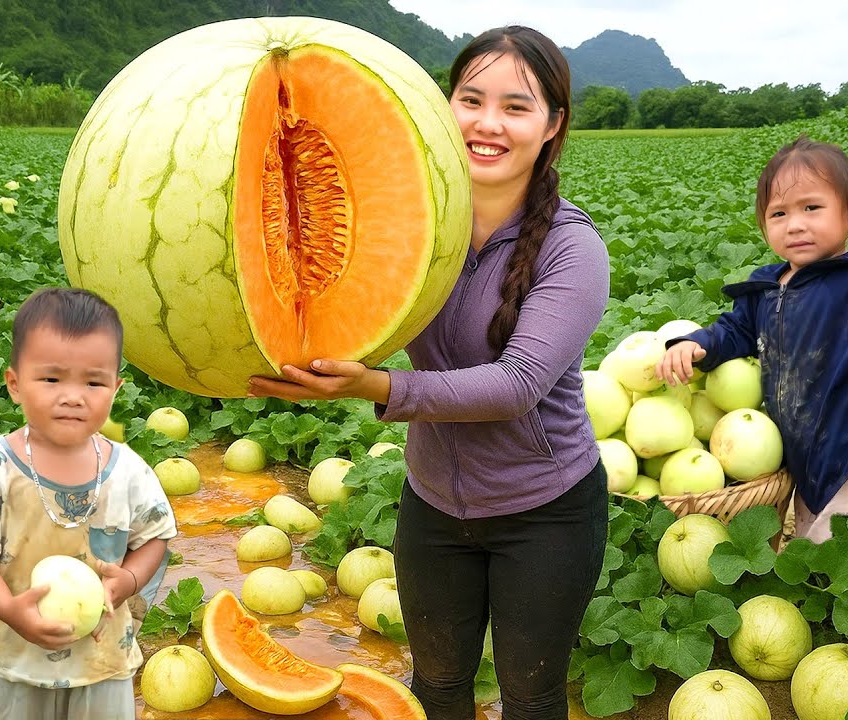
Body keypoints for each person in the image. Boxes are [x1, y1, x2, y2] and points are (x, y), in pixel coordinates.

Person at [248, 26, 610, 720]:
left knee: (530, 697)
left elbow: (516, 386)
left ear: (553, 124)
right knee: (437, 686)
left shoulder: (573, 248)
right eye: (470, 99)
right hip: (434, 505)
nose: (487, 123)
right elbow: (323, 287)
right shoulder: (405, 227)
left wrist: (376, 387)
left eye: (515, 106)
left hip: (547, 512)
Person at [656, 135, 848, 543]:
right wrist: (698, 344)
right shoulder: (766, 288)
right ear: (763, 224)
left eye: (811, 208)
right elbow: (736, 331)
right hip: (805, 463)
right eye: (778, 213)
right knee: (810, 554)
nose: (795, 224)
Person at [0, 287, 176, 720]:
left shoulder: (129, 470)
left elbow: (154, 539)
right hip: (16, 657)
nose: (73, 395)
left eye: (93, 381)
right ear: (15, 384)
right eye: (51, 379)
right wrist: (10, 609)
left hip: (102, 661)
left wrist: (128, 579)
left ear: (115, 388)